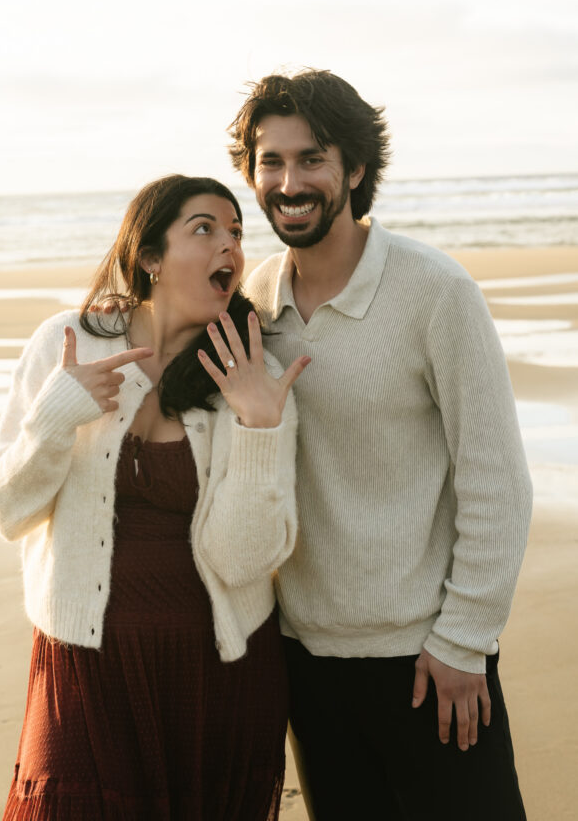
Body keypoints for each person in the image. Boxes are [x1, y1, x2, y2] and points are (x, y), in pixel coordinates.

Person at [228, 70, 533, 821]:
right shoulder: (254, 305)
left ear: (356, 168)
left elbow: (495, 480)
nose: (289, 183)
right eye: (271, 162)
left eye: (312, 159)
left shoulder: (436, 292)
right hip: (306, 663)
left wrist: (464, 639)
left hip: (429, 659)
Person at [0, 174, 310, 821]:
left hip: (218, 671)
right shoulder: (67, 343)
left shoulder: (255, 374)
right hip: (84, 667)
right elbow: (7, 509)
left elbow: (242, 560)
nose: (230, 245)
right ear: (150, 256)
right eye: (204, 228)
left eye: (236, 231)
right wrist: (54, 418)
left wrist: (257, 428)